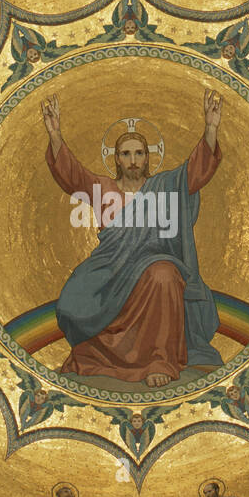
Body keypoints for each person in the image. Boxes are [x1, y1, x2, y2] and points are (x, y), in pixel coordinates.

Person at [42, 89, 224, 388]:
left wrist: (211, 129)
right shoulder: (103, 187)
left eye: (139, 153)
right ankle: (102, 353)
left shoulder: (164, 185)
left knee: (164, 274)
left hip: (153, 266)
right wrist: (55, 134)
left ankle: (159, 359)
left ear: (147, 156)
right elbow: (71, 175)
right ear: (116, 159)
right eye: (125, 154)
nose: (133, 159)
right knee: (71, 302)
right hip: (111, 272)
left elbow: (195, 172)